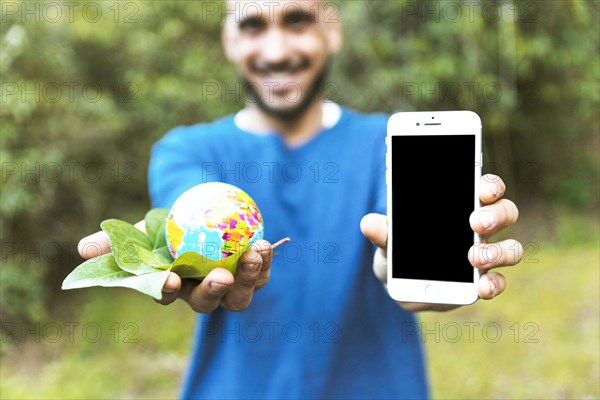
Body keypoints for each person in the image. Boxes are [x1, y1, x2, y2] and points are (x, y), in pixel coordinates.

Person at [78, 1, 523, 398]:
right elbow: (186, 209)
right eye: (253, 25)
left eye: (298, 21)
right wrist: (168, 251)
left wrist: (411, 263)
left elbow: (397, 246)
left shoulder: (384, 144)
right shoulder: (188, 151)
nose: (276, 52)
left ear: (333, 31)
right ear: (228, 39)